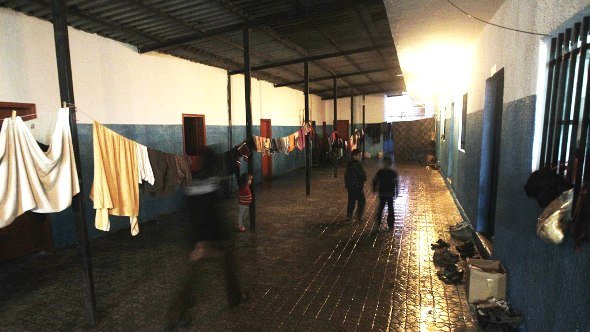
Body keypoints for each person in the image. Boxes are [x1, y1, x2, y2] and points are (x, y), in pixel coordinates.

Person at [166, 147, 246, 331]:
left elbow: (188, 216)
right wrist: (212, 242)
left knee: (191, 279)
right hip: (211, 239)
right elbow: (214, 216)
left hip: (197, 241)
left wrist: (194, 242)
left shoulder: (191, 184)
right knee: (227, 267)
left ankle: (178, 316)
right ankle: (234, 298)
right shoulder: (214, 184)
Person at [372, 156, 399, 230]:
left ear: (383, 163)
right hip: (390, 193)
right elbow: (396, 182)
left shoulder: (380, 172)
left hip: (382, 192)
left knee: (381, 207)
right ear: (391, 164)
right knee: (391, 208)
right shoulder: (393, 173)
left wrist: (374, 188)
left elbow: (375, 180)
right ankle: (390, 224)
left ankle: (378, 221)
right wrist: (397, 191)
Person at [344, 149, 367, 220]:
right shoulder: (356, 164)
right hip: (357, 186)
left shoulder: (349, 164)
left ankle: (349, 215)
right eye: (359, 155)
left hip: (350, 186)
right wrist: (364, 177)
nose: (361, 157)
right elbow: (361, 175)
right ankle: (358, 215)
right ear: (354, 156)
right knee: (362, 200)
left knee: (351, 200)